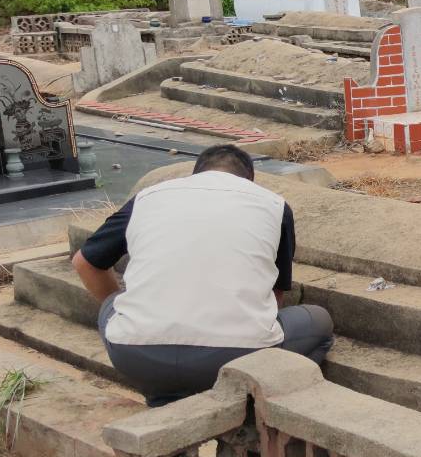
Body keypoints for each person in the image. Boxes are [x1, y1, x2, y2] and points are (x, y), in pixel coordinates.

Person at [71, 145, 334, 407]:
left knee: (113, 305)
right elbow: (275, 299)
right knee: (320, 323)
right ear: (249, 180)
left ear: (195, 174)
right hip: (237, 358)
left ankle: (164, 397)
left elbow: (85, 263)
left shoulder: (147, 198)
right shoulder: (273, 205)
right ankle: (255, 406)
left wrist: (133, 319)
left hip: (135, 355)